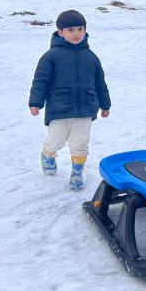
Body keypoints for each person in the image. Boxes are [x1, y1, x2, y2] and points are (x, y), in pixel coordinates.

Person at [28, 10, 111, 190]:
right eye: (70, 30)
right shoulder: (51, 56)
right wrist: (36, 102)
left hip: (86, 109)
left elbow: (100, 83)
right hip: (59, 109)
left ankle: (77, 173)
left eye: (80, 29)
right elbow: (41, 80)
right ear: (61, 32)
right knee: (55, 140)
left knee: (80, 143)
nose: (76, 33)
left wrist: (105, 105)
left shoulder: (91, 57)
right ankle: (48, 155)